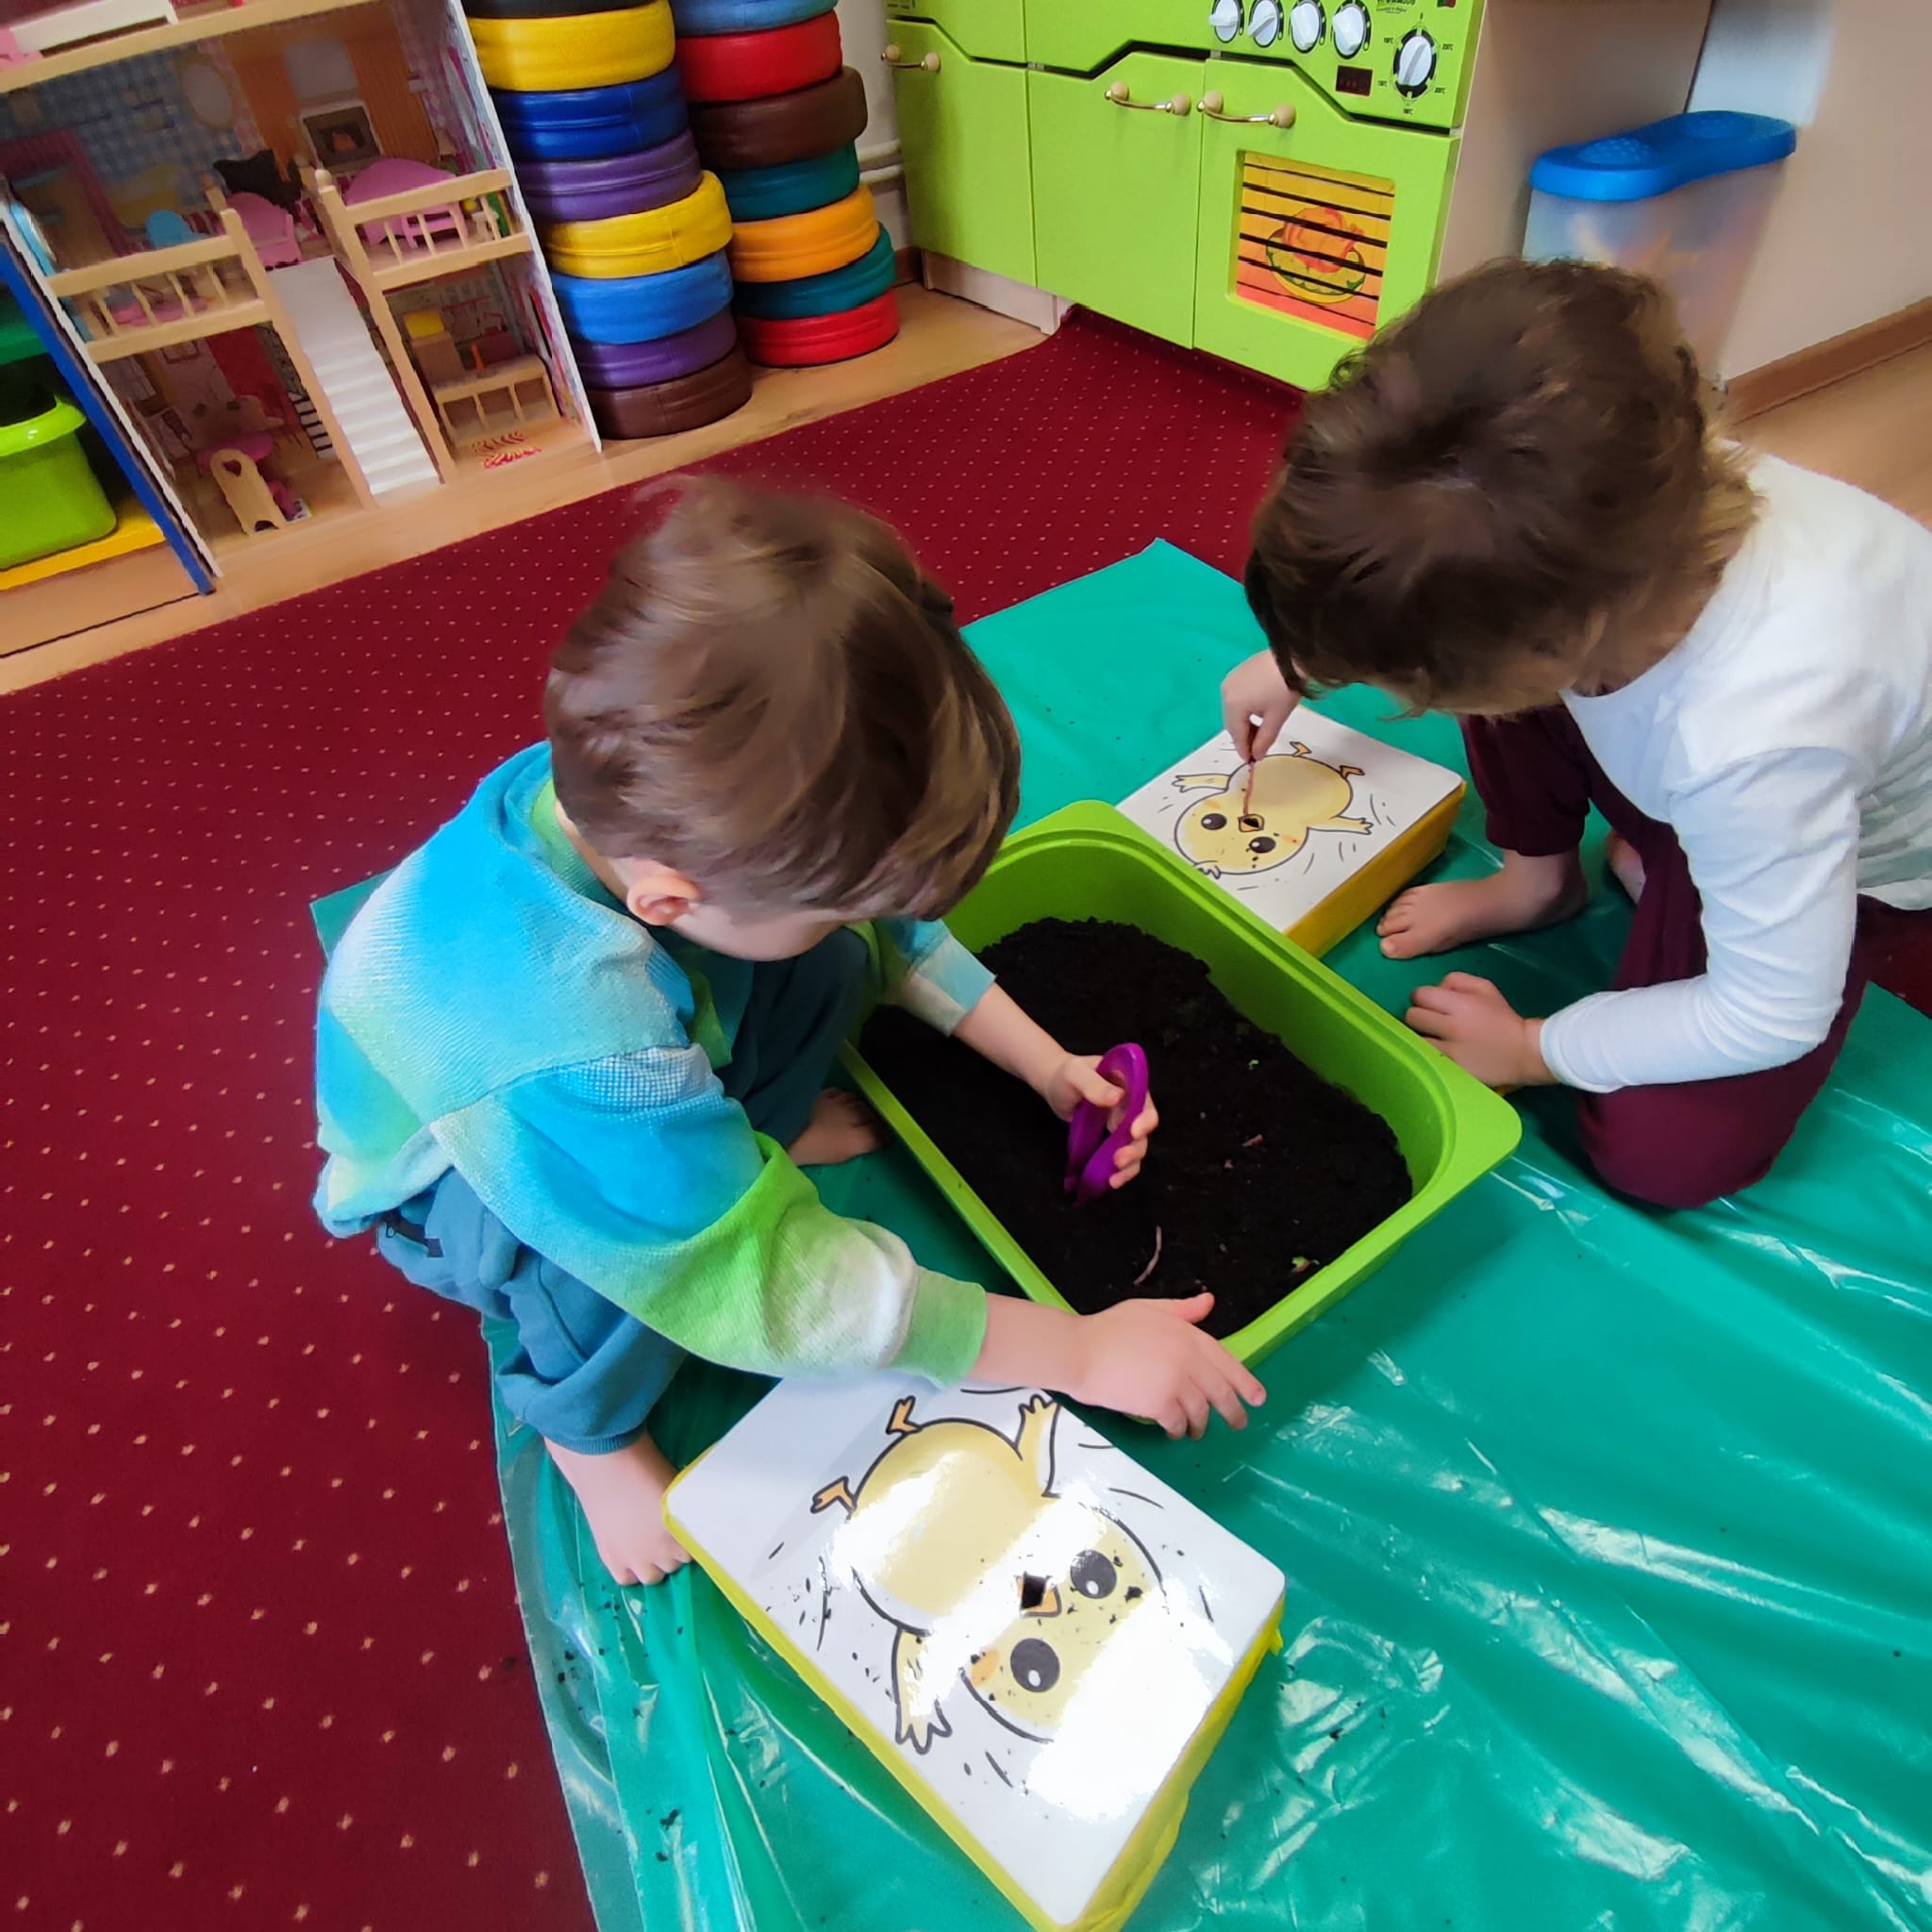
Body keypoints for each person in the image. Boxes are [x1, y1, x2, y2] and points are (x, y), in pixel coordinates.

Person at [316, 481, 1264, 1587]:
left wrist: (1046, 1063)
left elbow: (884, 925)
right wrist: (1079, 1349)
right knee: (614, 1257)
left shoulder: (659, 801)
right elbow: (764, 1281)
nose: (870, 918)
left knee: (827, 960)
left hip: (625, 1043)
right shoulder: (570, 1049)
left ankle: (737, 1130)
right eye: (840, 898)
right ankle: (587, 1432)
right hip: (465, 1181)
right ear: (669, 900)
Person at [1229, 258, 1932, 1209]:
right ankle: (1540, 882)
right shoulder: (1617, 497)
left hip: (1842, 858)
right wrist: (1311, 650)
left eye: (1414, 683)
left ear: (1556, 641)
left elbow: (1773, 1012)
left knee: (1660, 1158)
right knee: (1491, 667)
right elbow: (1438, 541)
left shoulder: (1755, 742)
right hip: (1703, 781)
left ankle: (1647, 860)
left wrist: (1534, 1047)